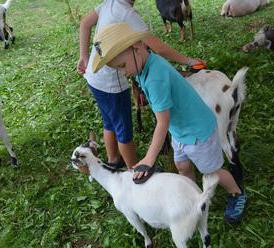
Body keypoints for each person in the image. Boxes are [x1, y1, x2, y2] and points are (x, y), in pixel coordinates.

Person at [92, 23, 247, 224]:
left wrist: (149, 159)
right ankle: (192, 198)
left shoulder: (155, 77)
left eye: (122, 66)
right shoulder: (144, 66)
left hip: (197, 131)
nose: (123, 72)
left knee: (212, 172)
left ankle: (237, 194)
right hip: (180, 129)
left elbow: (162, 122)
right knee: (182, 164)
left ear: (137, 48)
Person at [77, 0, 204, 169]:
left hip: (94, 76)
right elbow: (157, 47)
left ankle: (113, 160)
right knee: (124, 131)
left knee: (110, 121)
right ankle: (134, 171)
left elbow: (85, 23)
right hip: (111, 84)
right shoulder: (127, 13)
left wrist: (84, 56)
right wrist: (189, 61)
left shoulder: (110, 3)